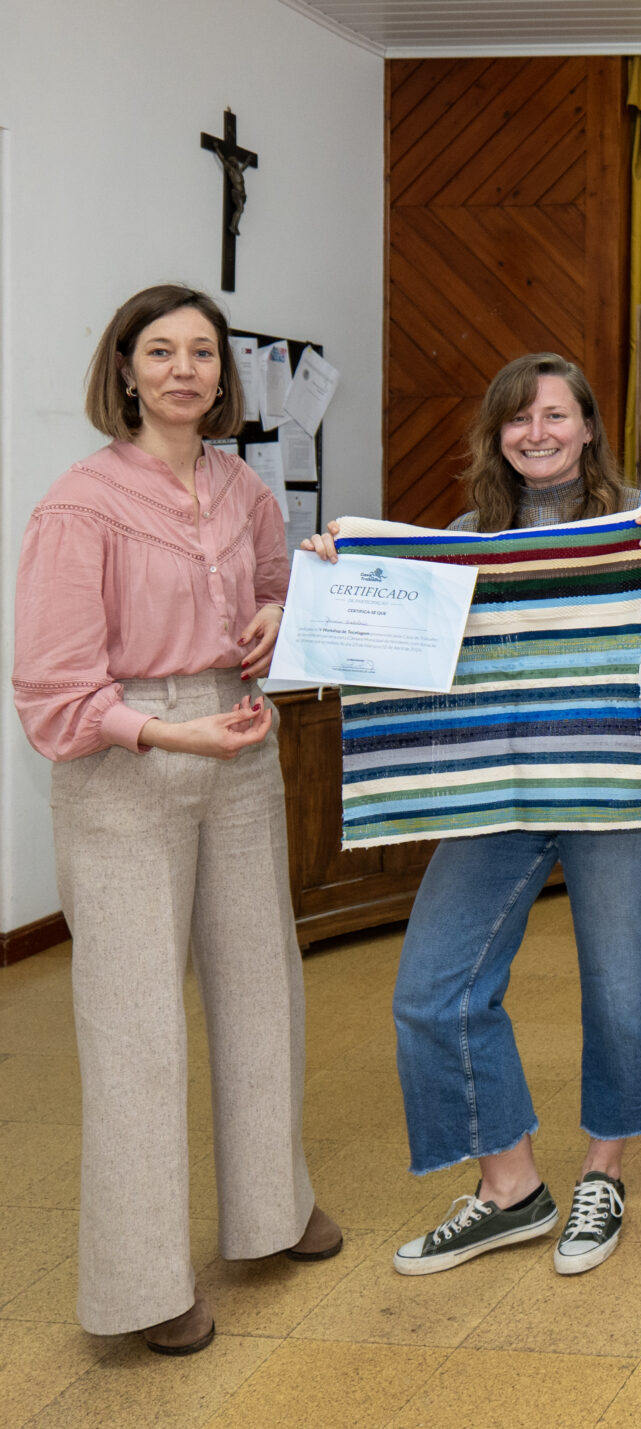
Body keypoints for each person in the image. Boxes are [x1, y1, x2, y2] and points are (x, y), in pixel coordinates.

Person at [304, 353, 641, 1277]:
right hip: (498, 787)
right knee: (431, 986)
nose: (537, 433)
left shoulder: (638, 519)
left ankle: (604, 1172)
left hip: (619, 782)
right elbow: (402, 653)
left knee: (618, 977)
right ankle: (512, 1187)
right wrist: (345, 580)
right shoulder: (466, 535)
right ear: (498, 435)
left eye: (555, 415)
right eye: (518, 418)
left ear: (588, 427)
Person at [11, 284, 340, 1355]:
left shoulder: (243, 487)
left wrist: (277, 611)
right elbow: (51, 689)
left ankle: (273, 1209)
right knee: (136, 1026)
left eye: (202, 352)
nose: (184, 369)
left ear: (222, 374)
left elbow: (278, 586)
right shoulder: (78, 505)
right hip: (126, 759)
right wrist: (165, 732)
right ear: (125, 370)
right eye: (161, 351)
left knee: (261, 988)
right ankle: (144, 1284)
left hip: (237, 741)